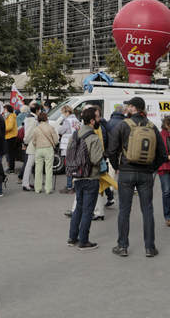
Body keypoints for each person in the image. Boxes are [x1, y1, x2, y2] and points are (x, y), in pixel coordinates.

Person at [107, 96, 168, 258]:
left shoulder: (123, 125)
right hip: (146, 173)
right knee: (147, 210)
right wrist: (152, 168)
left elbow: (111, 151)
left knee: (124, 210)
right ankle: (149, 247)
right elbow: (163, 154)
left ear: (134, 108)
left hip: (126, 171)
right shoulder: (152, 126)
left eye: (129, 106)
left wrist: (117, 166)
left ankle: (122, 246)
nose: (127, 108)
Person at [67, 107, 104, 250]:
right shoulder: (94, 137)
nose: (100, 119)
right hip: (91, 177)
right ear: (92, 120)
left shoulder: (76, 134)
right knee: (88, 210)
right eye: (98, 117)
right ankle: (84, 241)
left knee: (78, 208)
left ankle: (72, 237)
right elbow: (95, 159)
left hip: (77, 175)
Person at [30, 111, 59, 194]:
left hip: (39, 149)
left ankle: (37, 188)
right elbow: (56, 141)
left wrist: (37, 145)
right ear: (46, 118)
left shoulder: (36, 128)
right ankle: (48, 188)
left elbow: (33, 141)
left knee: (38, 169)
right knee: (48, 169)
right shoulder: (50, 127)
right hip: (48, 149)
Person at [56, 105, 79, 193]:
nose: (63, 115)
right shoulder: (76, 120)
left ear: (67, 112)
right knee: (74, 166)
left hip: (67, 145)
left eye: (63, 113)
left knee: (68, 166)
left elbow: (61, 131)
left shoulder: (67, 121)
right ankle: (74, 185)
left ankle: (69, 186)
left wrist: (59, 128)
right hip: (75, 145)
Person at [21, 106, 40, 191]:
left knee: (30, 165)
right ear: (36, 110)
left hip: (30, 143)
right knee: (29, 165)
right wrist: (25, 142)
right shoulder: (32, 119)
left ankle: (27, 183)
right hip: (31, 143)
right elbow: (29, 133)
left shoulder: (30, 118)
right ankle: (25, 184)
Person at [3, 104, 19, 173]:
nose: (3, 111)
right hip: (9, 136)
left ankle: (11, 168)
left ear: (8, 110)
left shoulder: (11, 116)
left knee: (10, 153)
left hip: (11, 136)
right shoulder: (8, 116)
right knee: (9, 153)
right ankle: (10, 167)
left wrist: (2, 128)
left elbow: (10, 127)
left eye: (5, 109)